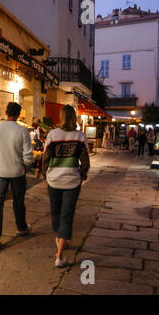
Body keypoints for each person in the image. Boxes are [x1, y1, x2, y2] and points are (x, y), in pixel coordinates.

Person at [42, 105, 90, 268]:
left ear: (62, 117)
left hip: (54, 180)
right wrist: (81, 175)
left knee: (55, 212)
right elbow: (85, 161)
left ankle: (60, 241)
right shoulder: (80, 136)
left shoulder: (53, 134)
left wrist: (45, 174)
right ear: (74, 117)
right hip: (72, 182)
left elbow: (45, 158)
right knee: (66, 215)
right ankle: (60, 255)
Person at [0, 102, 33, 250]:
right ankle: (21, 228)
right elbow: (28, 155)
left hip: (0, 172)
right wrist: (26, 164)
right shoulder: (22, 131)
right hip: (17, 172)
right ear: (18, 114)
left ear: (6, 112)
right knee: (18, 201)